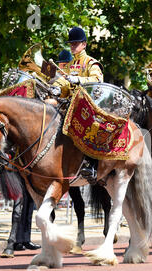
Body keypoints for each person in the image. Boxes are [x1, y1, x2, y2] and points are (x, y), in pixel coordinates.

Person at [50, 26, 104, 184]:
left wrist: (80, 80)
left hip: (87, 106)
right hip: (70, 104)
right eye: (71, 44)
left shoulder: (91, 63)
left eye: (75, 43)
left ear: (84, 44)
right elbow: (63, 80)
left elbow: (97, 80)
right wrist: (57, 87)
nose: (72, 46)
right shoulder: (70, 64)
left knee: (90, 129)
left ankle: (92, 164)